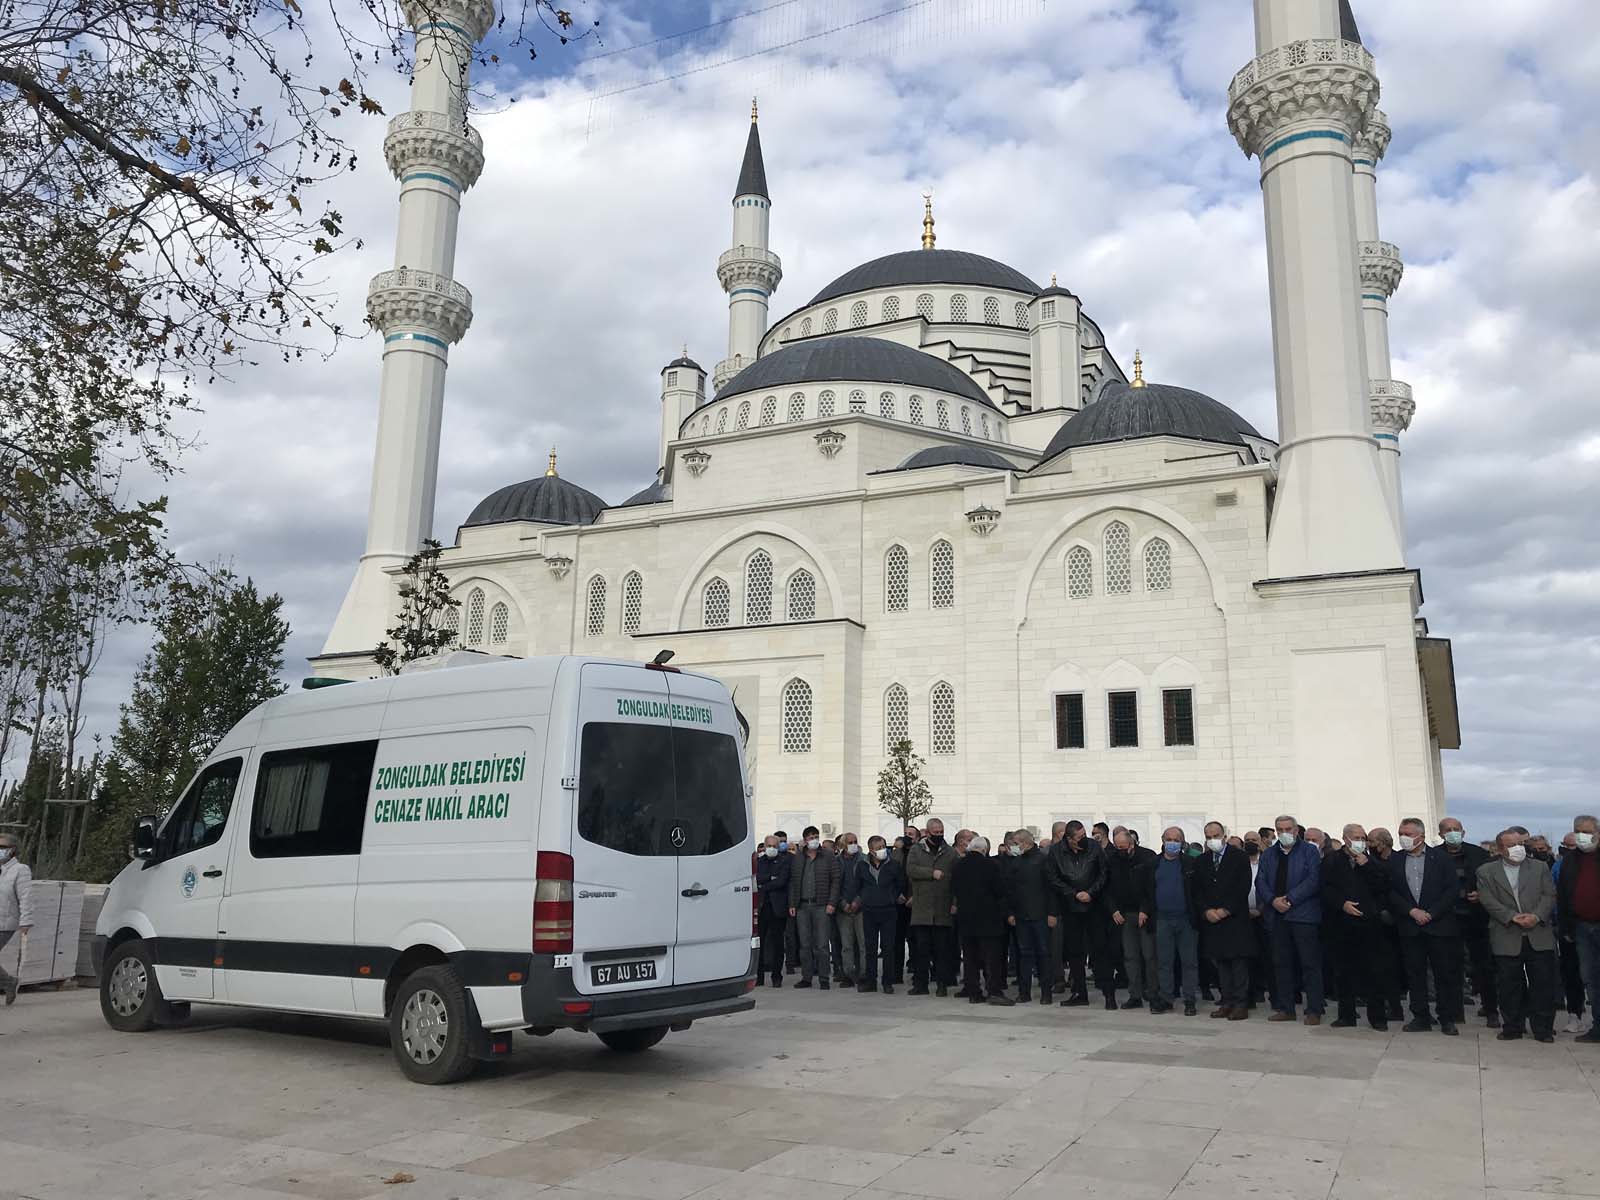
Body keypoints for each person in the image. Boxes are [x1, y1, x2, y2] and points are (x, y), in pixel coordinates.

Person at [1475, 829, 1557, 1043]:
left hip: (1538, 932)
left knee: (1542, 983)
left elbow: (1550, 895)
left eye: (1520, 843)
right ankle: (1512, 1026)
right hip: (1506, 933)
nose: (1518, 848)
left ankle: (1543, 1029)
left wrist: (1537, 916)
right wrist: (1511, 917)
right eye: (1512, 845)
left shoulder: (1539, 868)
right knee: (1509, 984)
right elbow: (1487, 899)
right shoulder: (1486, 871)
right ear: (1500, 849)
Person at [1387, 817, 1464, 1035]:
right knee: (1415, 974)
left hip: (1439, 925)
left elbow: (1451, 890)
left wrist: (1431, 913)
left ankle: (1447, 1017)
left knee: (1443, 974)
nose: (1404, 838)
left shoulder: (1441, 858)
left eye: (1408, 834)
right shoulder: (1395, 860)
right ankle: (1420, 1016)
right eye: (1401, 833)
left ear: (1420, 836)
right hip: (1410, 926)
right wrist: (1412, 911)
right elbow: (1390, 891)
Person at [1256, 814, 1325, 1025]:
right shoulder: (1269, 854)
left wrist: (1290, 899)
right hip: (1277, 916)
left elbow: (1313, 880)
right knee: (1281, 963)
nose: (1284, 833)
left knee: (1309, 964)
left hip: (1303, 915)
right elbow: (1261, 881)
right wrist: (1272, 900)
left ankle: (1314, 1009)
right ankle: (1285, 1008)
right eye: (1280, 830)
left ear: (1296, 831)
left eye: (1288, 829)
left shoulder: (1309, 851)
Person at [1321, 824, 1388, 1030]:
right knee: (1343, 972)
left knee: (1374, 971)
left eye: (1363, 837)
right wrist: (1342, 904)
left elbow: (1382, 886)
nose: (1360, 841)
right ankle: (1346, 1015)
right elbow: (1324, 888)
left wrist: (1366, 865)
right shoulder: (1331, 860)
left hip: (1369, 924)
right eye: (1356, 837)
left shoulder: (1372, 860)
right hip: (1340, 924)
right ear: (1345, 839)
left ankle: (1377, 1017)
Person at [1439, 816, 1499, 1029]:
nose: (1453, 832)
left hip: (1477, 918)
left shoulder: (1479, 854)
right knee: (1451, 967)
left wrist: (1482, 895)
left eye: (1456, 829)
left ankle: (1491, 1009)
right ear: (1440, 834)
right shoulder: (1436, 856)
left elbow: (1493, 883)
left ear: (1463, 832)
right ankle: (1455, 1011)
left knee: (1484, 966)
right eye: (1448, 829)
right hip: (1448, 919)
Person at [1046, 820, 1112, 1008]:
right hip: (1071, 907)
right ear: (1069, 838)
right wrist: (1073, 893)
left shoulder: (1094, 847)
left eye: (1084, 835)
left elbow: (1104, 872)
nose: (1084, 839)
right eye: (1079, 837)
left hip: (1094, 906)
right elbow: (1052, 878)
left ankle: (1109, 994)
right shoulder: (1056, 851)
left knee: (1101, 950)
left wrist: (1091, 892)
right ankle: (1079, 993)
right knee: (1075, 952)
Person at [1195, 821, 1255, 1020]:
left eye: (1216, 835)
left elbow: (1242, 886)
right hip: (1212, 920)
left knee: (1237, 963)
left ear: (1224, 835)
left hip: (1234, 919)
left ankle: (1241, 1003)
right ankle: (1226, 1001)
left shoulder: (1239, 857)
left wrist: (1226, 909)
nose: (1213, 839)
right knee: (1220, 962)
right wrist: (1206, 911)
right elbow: (1198, 890)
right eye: (1209, 836)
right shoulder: (1202, 860)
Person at [952, 836, 1013, 1005]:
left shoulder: (958, 866)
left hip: (966, 918)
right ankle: (994, 990)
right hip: (989, 918)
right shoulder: (991, 865)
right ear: (985, 850)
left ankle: (973, 992)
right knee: (992, 957)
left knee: (970, 957)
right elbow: (1000, 890)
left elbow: (954, 889)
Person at [1556, 814, 1600, 1044]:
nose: (1583, 836)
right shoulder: (1570, 860)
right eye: (1578, 831)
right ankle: (1598, 1027)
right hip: (1581, 927)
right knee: (1591, 979)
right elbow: (1563, 894)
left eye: (1588, 831)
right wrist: (1566, 927)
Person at [1147, 827, 1201, 1015]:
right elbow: (1147, 891)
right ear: (1162, 840)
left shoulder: (1190, 863)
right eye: (1169, 839)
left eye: (1176, 839)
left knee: (1189, 962)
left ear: (1182, 842)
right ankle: (1166, 998)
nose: (1172, 842)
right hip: (1162, 919)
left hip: (1186, 920)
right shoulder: (1154, 863)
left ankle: (1189, 1000)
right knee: (1164, 962)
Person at [847, 836, 907, 994]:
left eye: (883, 846)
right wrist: (863, 898)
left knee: (888, 948)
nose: (882, 850)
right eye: (878, 847)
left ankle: (888, 982)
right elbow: (857, 886)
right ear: (871, 850)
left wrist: (894, 897)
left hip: (888, 910)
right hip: (869, 910)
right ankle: (870, 981)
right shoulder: (862, 866)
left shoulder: (893, 865)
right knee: (870, 948)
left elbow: (900, 884)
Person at [1106, 829, 1157, 1009]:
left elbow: (1152, 887)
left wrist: (1145, 909)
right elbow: (1107, 888)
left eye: (1124, 847)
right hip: (1124, 914)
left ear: (1132, 843)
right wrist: (1113, 910)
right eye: (1117, 847)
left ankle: (1153, 992)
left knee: (1149, 956)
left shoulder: (1147, 857)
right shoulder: (1112, 860)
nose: (1121, 850)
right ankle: (1134, 994)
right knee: (1130, 956)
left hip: (1144, 914)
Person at [905, 819, 957, 996]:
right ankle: (921, 985)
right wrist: (930, 874)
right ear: (927, 833)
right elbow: (910, 870)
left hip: (942, 908)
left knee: (942, 951)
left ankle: (942, 985)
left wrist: (955, 903)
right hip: (922, 909)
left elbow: (956, 880)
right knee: (922, 950)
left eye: (941, 831)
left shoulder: (950, 852)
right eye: (935, 832)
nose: (939, 835)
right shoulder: (916, 850)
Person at [787, 826, 841, 990]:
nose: (814, 839)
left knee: (822, 945)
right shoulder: (798, 857)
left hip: (821, 905)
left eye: (816, 836)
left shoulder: (828, 856)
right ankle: (807, 977)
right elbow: (793, 881)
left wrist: (832, 902)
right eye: (810, 837)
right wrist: (792, 903)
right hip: (802, 905)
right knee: (804, 945)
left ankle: (824, 978)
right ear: (805, 840)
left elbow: (836, 880)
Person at [1006, 829, 1053, 1004]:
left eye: (1016, 843)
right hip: (1021, 915)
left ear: (1025, 842)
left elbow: (1051, 888)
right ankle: (1024, 991)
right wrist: (1011, 912)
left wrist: (1052, 913)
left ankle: (1046, 992)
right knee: (1024, 954)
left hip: (1040, 914)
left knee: (1043, 953)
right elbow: (1011, 890)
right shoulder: (1016, 863)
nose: (1014, 847)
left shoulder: (1042, 860)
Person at [1552, 832, 1590, 1035]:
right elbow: (1555, 894)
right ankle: (1575, 1014)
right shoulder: (1561, 865)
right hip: (1570, 927)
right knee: (1572, 972)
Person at [755, 835, 792, 987]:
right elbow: (757, 878)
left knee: (777, 944)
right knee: (760, 943)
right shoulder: (760, 861)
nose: (771, 849)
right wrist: (770, 878)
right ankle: (759, 976)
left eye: (774, 846)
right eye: (769, 845)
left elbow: (781, 881)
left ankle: (777, 976)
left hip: (777, 907)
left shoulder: (784, 861)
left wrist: (765, 884)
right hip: (762, 906)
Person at [0, 833, 33, 1006]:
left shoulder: (20, 870)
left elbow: (26, 897)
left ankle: (8, 982)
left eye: (3, 847)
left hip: (5, 923)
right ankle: (8, 982)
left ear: (12, 850)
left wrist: (26, 921)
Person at [835, 833, 867, 987]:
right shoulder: (836, 861)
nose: (853, 844)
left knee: (863, 944)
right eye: (850, 842)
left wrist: (857, 901)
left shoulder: (864, 859)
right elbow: (834, 885)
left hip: (861, 908)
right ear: (843, 845)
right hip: (843, 909)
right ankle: (848, 974)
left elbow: (867, 883)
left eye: (855, 841)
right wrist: (843, 903)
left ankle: (863, 974)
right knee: (846, 945)